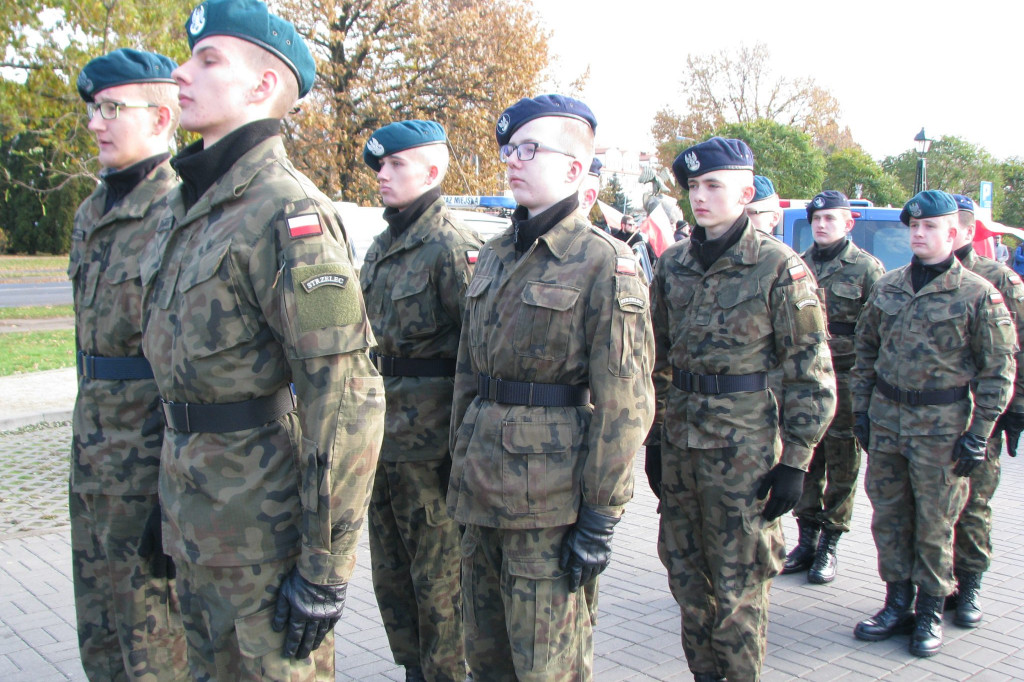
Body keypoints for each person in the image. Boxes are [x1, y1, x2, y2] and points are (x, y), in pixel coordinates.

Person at [139, 1, 385, 678]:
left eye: (208, 59)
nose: (181, 72)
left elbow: (348, 398)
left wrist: (325, 570)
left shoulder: (291, 213)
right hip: (196, 520)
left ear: (264, 85)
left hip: (263, 539)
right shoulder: (188, 208)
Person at [448, 94, 655, 681]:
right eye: (509, 149)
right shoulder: (491, 255)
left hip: (549, 502)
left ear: (574, 168)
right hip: (481, 488)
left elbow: (626, 402)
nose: (513, 159)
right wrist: (455, 459)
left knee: (546, 667)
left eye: (530, 149)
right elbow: (469, 371)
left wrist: (601, 515)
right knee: (485, 658)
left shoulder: (602, 263)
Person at [646, 137, 837, 682]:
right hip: (682, 450)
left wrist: (796, 461)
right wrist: (655, 439)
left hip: (744, 455)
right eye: (693, 188)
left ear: (745, 193)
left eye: (713, 186)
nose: (699, 198)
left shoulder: (780, 267)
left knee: (738, 593)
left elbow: (810, 372)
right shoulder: (674, 265)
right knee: (686, 583)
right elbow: (656, 359)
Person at [851, 190, 1014, 657]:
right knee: (890, 517)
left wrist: (979, 435)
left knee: (935, 524)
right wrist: (861, 411)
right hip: (887, 422)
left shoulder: (978, 294)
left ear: (954, 233)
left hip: (942, 429)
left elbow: (997, 372)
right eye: (914, 227)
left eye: (930, 227)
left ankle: (930, 612)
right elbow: (866, 354)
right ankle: (896, 602)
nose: (919, 234)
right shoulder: (889, 286)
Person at [69, 48, 188, 682]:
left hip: (149, 467)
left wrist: (172, 496)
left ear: (163, 116)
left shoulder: (181, 214)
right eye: (94, 108)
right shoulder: (91, 215)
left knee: (155, 649)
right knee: (101, 638)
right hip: (92, 458)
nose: (96, 122)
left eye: (113, 108)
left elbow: (191, 368)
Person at [359, 120, 482, 682]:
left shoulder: (453, 247)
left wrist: (465, 452)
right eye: (380, 166)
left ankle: (447, 674)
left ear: (433, 171)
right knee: (392, 576)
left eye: (395, 165)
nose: (382, 175)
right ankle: (413, 668)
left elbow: (479, 358)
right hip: (382, 446)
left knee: (441, 582)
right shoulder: (382, 247)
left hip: (434, 454)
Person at [783, 191, 885, 584]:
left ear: (848, 223)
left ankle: (830, 541)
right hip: (807, 380)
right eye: (816, 219)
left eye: (830, 218)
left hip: (847, 378)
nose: (822, 225)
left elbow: (876, 333)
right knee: (805, 457)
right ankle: (805, 538)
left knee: (843, 462)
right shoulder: (799, 266)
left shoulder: (866, 269)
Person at [945, 195, 1024, 628]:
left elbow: (1017, 352)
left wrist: (1016, 411)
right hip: (929, 417)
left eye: (957, 224)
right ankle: (927, 587)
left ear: (969, 229)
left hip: (979, 415)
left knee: (973, 506)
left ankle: (969, 584)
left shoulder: (998, 279)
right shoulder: (914, 278)